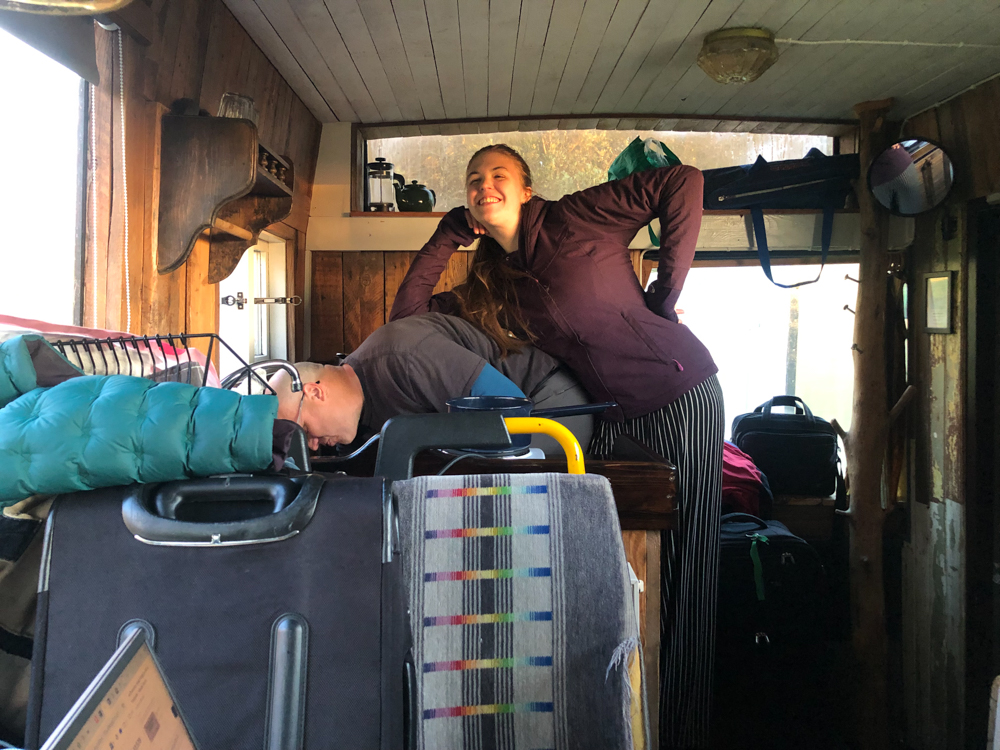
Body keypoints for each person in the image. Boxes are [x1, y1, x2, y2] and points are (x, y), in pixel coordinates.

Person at [389, 144, 723, 749]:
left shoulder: (577, 217)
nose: (484, 186)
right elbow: (405, 319)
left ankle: (687, 728)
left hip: (679, 392)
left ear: (524, 188)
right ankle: (639, 717)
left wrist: (665, 296)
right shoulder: (496, 282)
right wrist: (445, 237)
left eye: (498, 175)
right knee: (635, 566)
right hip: (614, 419)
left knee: (690, 562)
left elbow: (684, 181)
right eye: (473, 181)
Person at [268, 312, 593, 454]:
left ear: (314, 392)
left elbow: (511, 407)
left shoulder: (403, 357)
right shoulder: (358, 409)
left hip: (551, 404)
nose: (311, 445)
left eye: (305, 430)